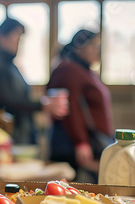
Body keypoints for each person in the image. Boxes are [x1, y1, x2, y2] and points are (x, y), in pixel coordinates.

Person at [0, 18, 67, 144]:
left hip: (18, 132)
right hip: (5, 136)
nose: (18, 43)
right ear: (2, 37)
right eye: (15, 38)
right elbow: (9, 99)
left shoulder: (8, 64)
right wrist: (42, 104)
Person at [46, 29, 114, 182]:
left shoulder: (85, 71)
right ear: (79, 47)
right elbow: (71, 107)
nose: (97, 51)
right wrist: (80, 141)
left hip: (92, 141)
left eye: (98, 46)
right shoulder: (68, 70)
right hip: (74, 145)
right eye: (92, 46)